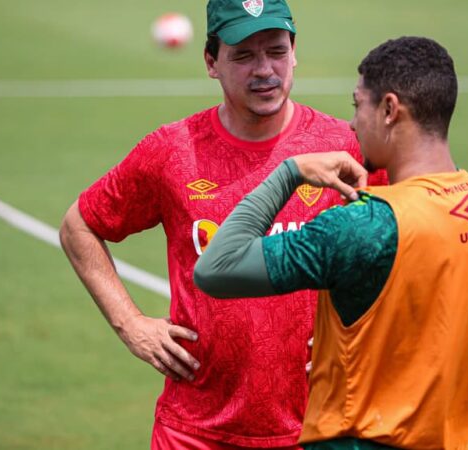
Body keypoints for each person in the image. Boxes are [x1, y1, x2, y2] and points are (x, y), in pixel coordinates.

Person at [58, 0, 385, 448]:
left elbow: (401, 251)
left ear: (294, 53)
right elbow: (80, 225)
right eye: (243, 56)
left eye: (275, 51)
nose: (264, 70)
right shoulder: (172, 151)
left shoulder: (343, 147)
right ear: (212, 62)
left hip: (319, 427)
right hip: (194, 431)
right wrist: (130, 323)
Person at [195, 36, 468, 449]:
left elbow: (216, 267)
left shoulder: (362, 226)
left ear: (388, 109)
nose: (351, 124)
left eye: (357, 105)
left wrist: (288, 172)